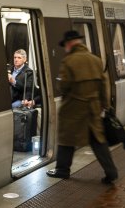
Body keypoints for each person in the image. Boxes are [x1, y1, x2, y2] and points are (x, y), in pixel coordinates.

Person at [46, 30, 118, 184]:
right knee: (98, 141)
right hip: (93, 108)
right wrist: (106, 106)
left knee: (66, 139)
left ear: (69, 44)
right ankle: (111, 171)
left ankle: (62, 170)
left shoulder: (69, 61)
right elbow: (103, 86)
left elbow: (63, 86)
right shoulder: (96, 60)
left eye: (65, 45)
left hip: (73, 108)